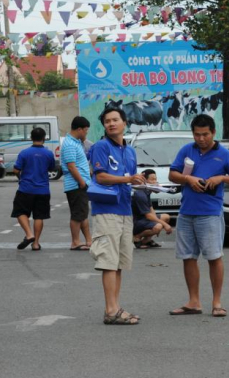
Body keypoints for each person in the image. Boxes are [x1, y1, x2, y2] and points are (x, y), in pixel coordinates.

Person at [168, 114, 229, 318]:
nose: (201, 139)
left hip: (210, 214)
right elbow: (172, 174)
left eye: (205, 134)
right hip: (186, 213)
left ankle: (217, 302)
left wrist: (221, 177)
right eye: (197, 135)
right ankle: (194, 301)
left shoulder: (225, 155)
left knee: (214, 257)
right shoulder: (187, 150)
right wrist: (188, 179)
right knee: (188, 257)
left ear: (213, 132)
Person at [89, 107, 146, 325]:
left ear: (124, 122)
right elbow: (101, 177)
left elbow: (129, 178)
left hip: (125, 210)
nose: (111, 124)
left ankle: (115, 307)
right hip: (106, 211)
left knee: (119, 262)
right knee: (108, 262)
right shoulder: (101, 146)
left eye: (115, 120)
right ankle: (111, 310)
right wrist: (128, 179)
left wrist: (141, 181)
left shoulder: (130, 151)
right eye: (107, 121)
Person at [13, 127, 56, 252]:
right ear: (44, 138)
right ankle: (36, 243)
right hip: (43, 190)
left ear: (31, 138)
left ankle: (29, 234)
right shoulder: (48, 154)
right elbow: (52, 168)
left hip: (25, 188)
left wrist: (20, 177)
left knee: (20, 212)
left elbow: (16, 170)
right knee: (39, 216)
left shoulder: (24, 153)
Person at [61, 116, 92, 251]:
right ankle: (75, 242)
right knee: (77, 215)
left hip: (81, 183)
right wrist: (81, 182)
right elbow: (71, 166)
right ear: (79, 129)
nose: (86, 133)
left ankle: (89, 240)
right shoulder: (69, 144)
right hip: (76, 185)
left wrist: (83, 139)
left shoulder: (77, 142)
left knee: (83, 213)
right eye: (85, 130)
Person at [132, 169, 172, 249]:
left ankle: (147, 240)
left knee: (166, 217)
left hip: (144, 220)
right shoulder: (140, 194)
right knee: (158, 226)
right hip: (136, 222)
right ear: (144, 180)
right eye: (152, 180)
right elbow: (149, 216)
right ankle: (136, 237)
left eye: (156, 179)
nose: (155, 182)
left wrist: (158, 221)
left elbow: (151, 210)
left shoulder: (147, 191)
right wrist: (164, 225)